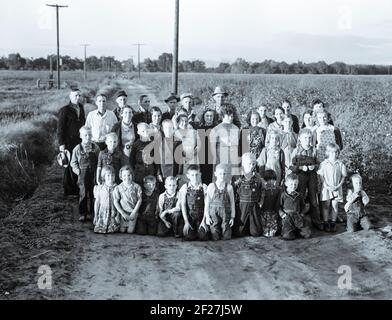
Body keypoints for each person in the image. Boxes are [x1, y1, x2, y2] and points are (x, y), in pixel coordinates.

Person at [290, 128, 324, 230]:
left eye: (309, 138)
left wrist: (315, 167)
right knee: (300, 197)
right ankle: (299, 221)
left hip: (312, 176)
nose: (307, 140)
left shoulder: (314, 151)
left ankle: (316, 221)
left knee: (313, 198)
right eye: (305, 138)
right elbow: (291, 166)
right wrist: (300, 167)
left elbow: (319, 164)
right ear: (300, 139)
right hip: (300, 176)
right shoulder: (296, 151)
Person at [57, 88, 86, 196]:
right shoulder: (64, 110)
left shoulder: (81, 108)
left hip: (79, 141)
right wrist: (61, 144)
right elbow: (60, 129)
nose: (78, 97)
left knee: (77, 163)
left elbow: (83, 123)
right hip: (68, 142)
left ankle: (76, 188)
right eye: (75, 96)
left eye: (79, 95)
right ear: (70, 96)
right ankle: (69, 191)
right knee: (69, 165)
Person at [70, 126, 100, 222]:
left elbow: (99, 160)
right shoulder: (77, 149)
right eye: (85, 135)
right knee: (83, 193)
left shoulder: (95, 147)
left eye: (90, 135)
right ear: (81, 136)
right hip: (82, 174)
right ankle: (82, 213)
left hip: (93, 174)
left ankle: (91, 212)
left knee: (92, 193)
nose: (88, 137)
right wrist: (78, 171)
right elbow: (73, 162)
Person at [317, 143, 347, 232]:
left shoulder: (340, 164)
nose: (334, 154)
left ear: (338, 153)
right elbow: (321, 176)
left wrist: (338, 185)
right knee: (326, 205)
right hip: (326, 188)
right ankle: (326, 222)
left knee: (334, 205)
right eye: (332, 152)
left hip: (336, 188)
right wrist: (325, 185)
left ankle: (333, 223)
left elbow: (343, 176)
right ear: (328, 153)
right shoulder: (324, 163)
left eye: (336, 152)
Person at [233, 153, 264, 237]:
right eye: (249, 163)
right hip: (242, 207)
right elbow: (234, 192)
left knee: (256, 233)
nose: (252, 165)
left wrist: (261, 201)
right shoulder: (238, 178)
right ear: (243, 164)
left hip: (254, 206)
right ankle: (245, 227)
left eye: (253, 163)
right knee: (239, 233)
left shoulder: (258, 178)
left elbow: (262, 190)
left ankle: (252, 226)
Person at [209, 103, 241, 179]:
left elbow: (237, 147)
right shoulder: (215, 130)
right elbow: (212, 150)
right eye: (228, 115)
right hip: (221, 161)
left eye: (232, 116)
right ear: (223, 115)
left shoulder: (236, 129)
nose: (231, 118)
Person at [204, 164, 236, 241]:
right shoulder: (211, 186)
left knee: (227, 237)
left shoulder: (229, 187)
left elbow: (232, 203)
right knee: (215, 237)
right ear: (215, 174)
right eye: (220, 173)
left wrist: (232, 217)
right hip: (214, 215)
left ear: (226, 174)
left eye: (224, 174)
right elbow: (207, 203)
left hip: (226, 215)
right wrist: (207, 216)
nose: (222, 176)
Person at [178, 165, 209, 241]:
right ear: (188, 176)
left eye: (196, 175)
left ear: (200, 174)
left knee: (203, 237)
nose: (194, 177)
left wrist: (204, 221)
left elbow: (207, 205)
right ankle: (191, 230)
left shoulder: (204, 187)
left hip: (201, 217)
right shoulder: (185, 187)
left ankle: (199, 230)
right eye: (192, 175)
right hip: (190, 218)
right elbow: (183, 205)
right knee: (188, 236)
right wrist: (186, 222)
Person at [279, 173, 311, 240]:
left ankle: (297, 230)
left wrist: (302, 213)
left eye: (295, 184)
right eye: (291, 184)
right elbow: (279, 207)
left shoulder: (299, 195)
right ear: (286, 184)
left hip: (297, 216)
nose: (293, 186)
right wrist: (283, 215)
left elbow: (303, 206)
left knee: (307, 234)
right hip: (287, 217)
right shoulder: (283, 195)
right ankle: (289, 230)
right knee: (288, 236)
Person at [113, 165, 142, 234]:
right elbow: (116, 201)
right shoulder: (118, 188)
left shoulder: (136, 187)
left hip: (133, 212)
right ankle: (124, 224)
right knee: (122, 230)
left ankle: (135, 223)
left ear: (132, 175)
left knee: (130, 231)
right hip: (123, 213)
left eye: (129, 175)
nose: (127, 177)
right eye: (124, 175)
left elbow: (139, 200)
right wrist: (122, 213)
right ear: (121, 176)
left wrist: (134, 212)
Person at [93, 165, 120, 234]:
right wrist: (95, 215)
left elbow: (119, 202)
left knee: (114, 229)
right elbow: (97, 202)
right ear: (104, 177)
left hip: (113, 212)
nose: (110, 177)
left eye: (112, 175)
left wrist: (118, 215)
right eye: (108, 175)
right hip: (103, 212)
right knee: (100, 228)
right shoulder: (100, 188)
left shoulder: (117, 188)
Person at [196, 108, 219, 184]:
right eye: (207, 116)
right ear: (204, 117)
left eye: (211, 116)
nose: (209, 118)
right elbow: (198, 144)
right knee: (202, 179)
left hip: (213, 156)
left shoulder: (216, 129)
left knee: (213, 179)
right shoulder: (199, 129)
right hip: (202, 156)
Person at [260, 170, 281, 237]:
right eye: (270, 179)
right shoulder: (263, 190)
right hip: (264, 213)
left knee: (272, 233)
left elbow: (278, 204)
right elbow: (261, 203)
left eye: (273, 179)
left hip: (273, 213)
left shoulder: (278, 190)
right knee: (265, 232)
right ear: (266, 180)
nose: (272, 181)